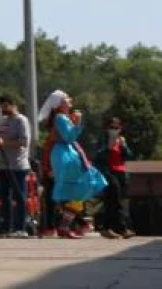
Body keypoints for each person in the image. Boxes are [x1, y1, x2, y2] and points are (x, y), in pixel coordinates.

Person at [38, 90, 107, 239]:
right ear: (59, 104)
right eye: (66, 99)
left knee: (72, 190)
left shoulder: (61, 117)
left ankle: (67, 225)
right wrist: (77, 123)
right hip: (66, 155)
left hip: (66, 153)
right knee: (78, 187)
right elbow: (69, 137)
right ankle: (67, 225)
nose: (70, 100)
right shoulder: (61, 117)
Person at [0, 95, 31, 238]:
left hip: (17, 165)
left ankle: (20, 228)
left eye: (5, 106)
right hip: (2, 165)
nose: (3, 110)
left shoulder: (21, 120)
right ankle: (6, 228)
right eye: (1, 107)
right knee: (4, 197)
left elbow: (23, 142)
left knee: (19, 197)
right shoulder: (3, 120)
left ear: (12, 105)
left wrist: (5, 142)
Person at [94, 116, 135, 239]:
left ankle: (107, 228)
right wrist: (108, 146)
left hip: (120, 172)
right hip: (108, 171)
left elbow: (128, 155)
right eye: (111, 127)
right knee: (115, 199)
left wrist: (123, 146)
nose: (114, 130)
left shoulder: (121, 140)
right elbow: (98, 155)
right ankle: (121, 229)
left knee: (113, 201)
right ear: (106, 128)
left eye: (116, 128)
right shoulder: (103, 139)